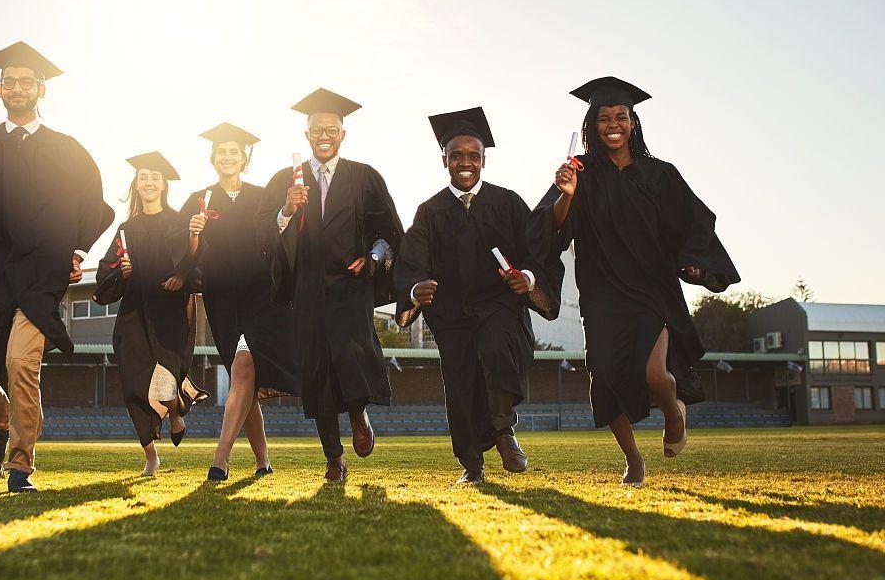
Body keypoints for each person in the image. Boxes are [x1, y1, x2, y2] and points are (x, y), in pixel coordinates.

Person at [0, 42, 114, 493]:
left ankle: (21, 466)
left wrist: (77, 252)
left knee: (21, 363)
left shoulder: (67, 150)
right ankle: (2, 419)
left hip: (39, 272)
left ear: (41, 89)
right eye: (10, 82)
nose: (18, 89)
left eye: (27, 82)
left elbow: (92, 204)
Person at [533, 76, 739, 486]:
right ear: (592, 124)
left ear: (633, 122)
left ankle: (673, 413)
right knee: (607, 377)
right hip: (601, 292)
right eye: (604, 116)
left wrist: (694, 264)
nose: (614, 123)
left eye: (621, 116)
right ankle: (634, 461)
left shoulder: (659, 174)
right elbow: (548, 229)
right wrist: (567, 194)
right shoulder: (579, 172)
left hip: (651, 288)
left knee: (656, 375)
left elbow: (693, 222)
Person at [394, 107, 558, 484]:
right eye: (457, 156)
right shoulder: (429, 212)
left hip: (498, 307)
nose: (465, 163)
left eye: (473, 156)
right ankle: (471, 465)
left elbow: (536, 251)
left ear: (484, 160)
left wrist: (528, 278)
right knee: (461, 385)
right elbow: (411, 264)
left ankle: (503, 432)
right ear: (444, 160)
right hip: (451, 316)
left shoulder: (508, 203)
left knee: (497, 347)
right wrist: (416, 290)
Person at [257, 88, 403, 483]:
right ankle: (333, 456)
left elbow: (389, 232)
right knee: (317, 372)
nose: (324, 135)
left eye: (332, 129)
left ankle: (358, 413)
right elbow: (263, 232)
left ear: (343, 133)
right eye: (317, 129)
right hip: (306, 291)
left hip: (350, 286)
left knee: (352, 355)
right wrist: (288, 207)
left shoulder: (364, 177)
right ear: (306, 134)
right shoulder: (286, 180)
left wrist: (372, 259)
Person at [180, 122, 299, 482]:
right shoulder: (201, 198)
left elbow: (280, 234)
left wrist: (290, 210)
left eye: (234, 152)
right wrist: (193, 233)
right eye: (222, 152)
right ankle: (263, 461)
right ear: (213, 157)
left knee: (244, 369)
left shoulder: (263, 195)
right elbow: (190, 257)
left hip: (262, 295)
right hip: (221, 299)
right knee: (241, 375)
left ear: (244, 157)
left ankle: (221, 458)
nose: (228, 157)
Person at [95, 152, 209, 477]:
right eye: (143, 177)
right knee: (133, 381)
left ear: (163, 185)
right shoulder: (126, 229)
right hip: (133, 312)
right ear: (137, 184)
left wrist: (183, 276)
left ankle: (176, 408)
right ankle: (150, 455)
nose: (149, 182)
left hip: (170, 311)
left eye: (155, 178)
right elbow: (107, 271)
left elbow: (195, 259)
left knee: (164, 382)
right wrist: (123, 272)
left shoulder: (178, 221)